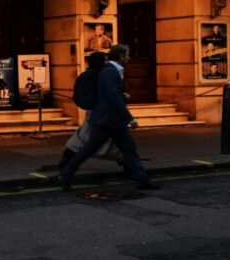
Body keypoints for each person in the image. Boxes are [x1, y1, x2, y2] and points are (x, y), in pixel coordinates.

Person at [58, 45, 160, 191]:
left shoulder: (113, 71)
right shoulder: (109, 72)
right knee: (88, 150)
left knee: (129, 150)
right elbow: (112, 97)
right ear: (121, 56)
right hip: (106, 120)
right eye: (127, 55)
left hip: (114, 120)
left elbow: (112, 95)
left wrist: (123, 97)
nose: (129, 58)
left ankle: (142, 181)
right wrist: (129, 118)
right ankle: (65, 175)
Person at [58, 52, 126, 173]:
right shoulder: (101, 75)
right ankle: (126, 161)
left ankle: (67, 160)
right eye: (105, 60)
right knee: (106, 140)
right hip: (102, 112)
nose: (107, 63)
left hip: (91, 110)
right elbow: (108, 93)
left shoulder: (85, 74)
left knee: (82, 137)